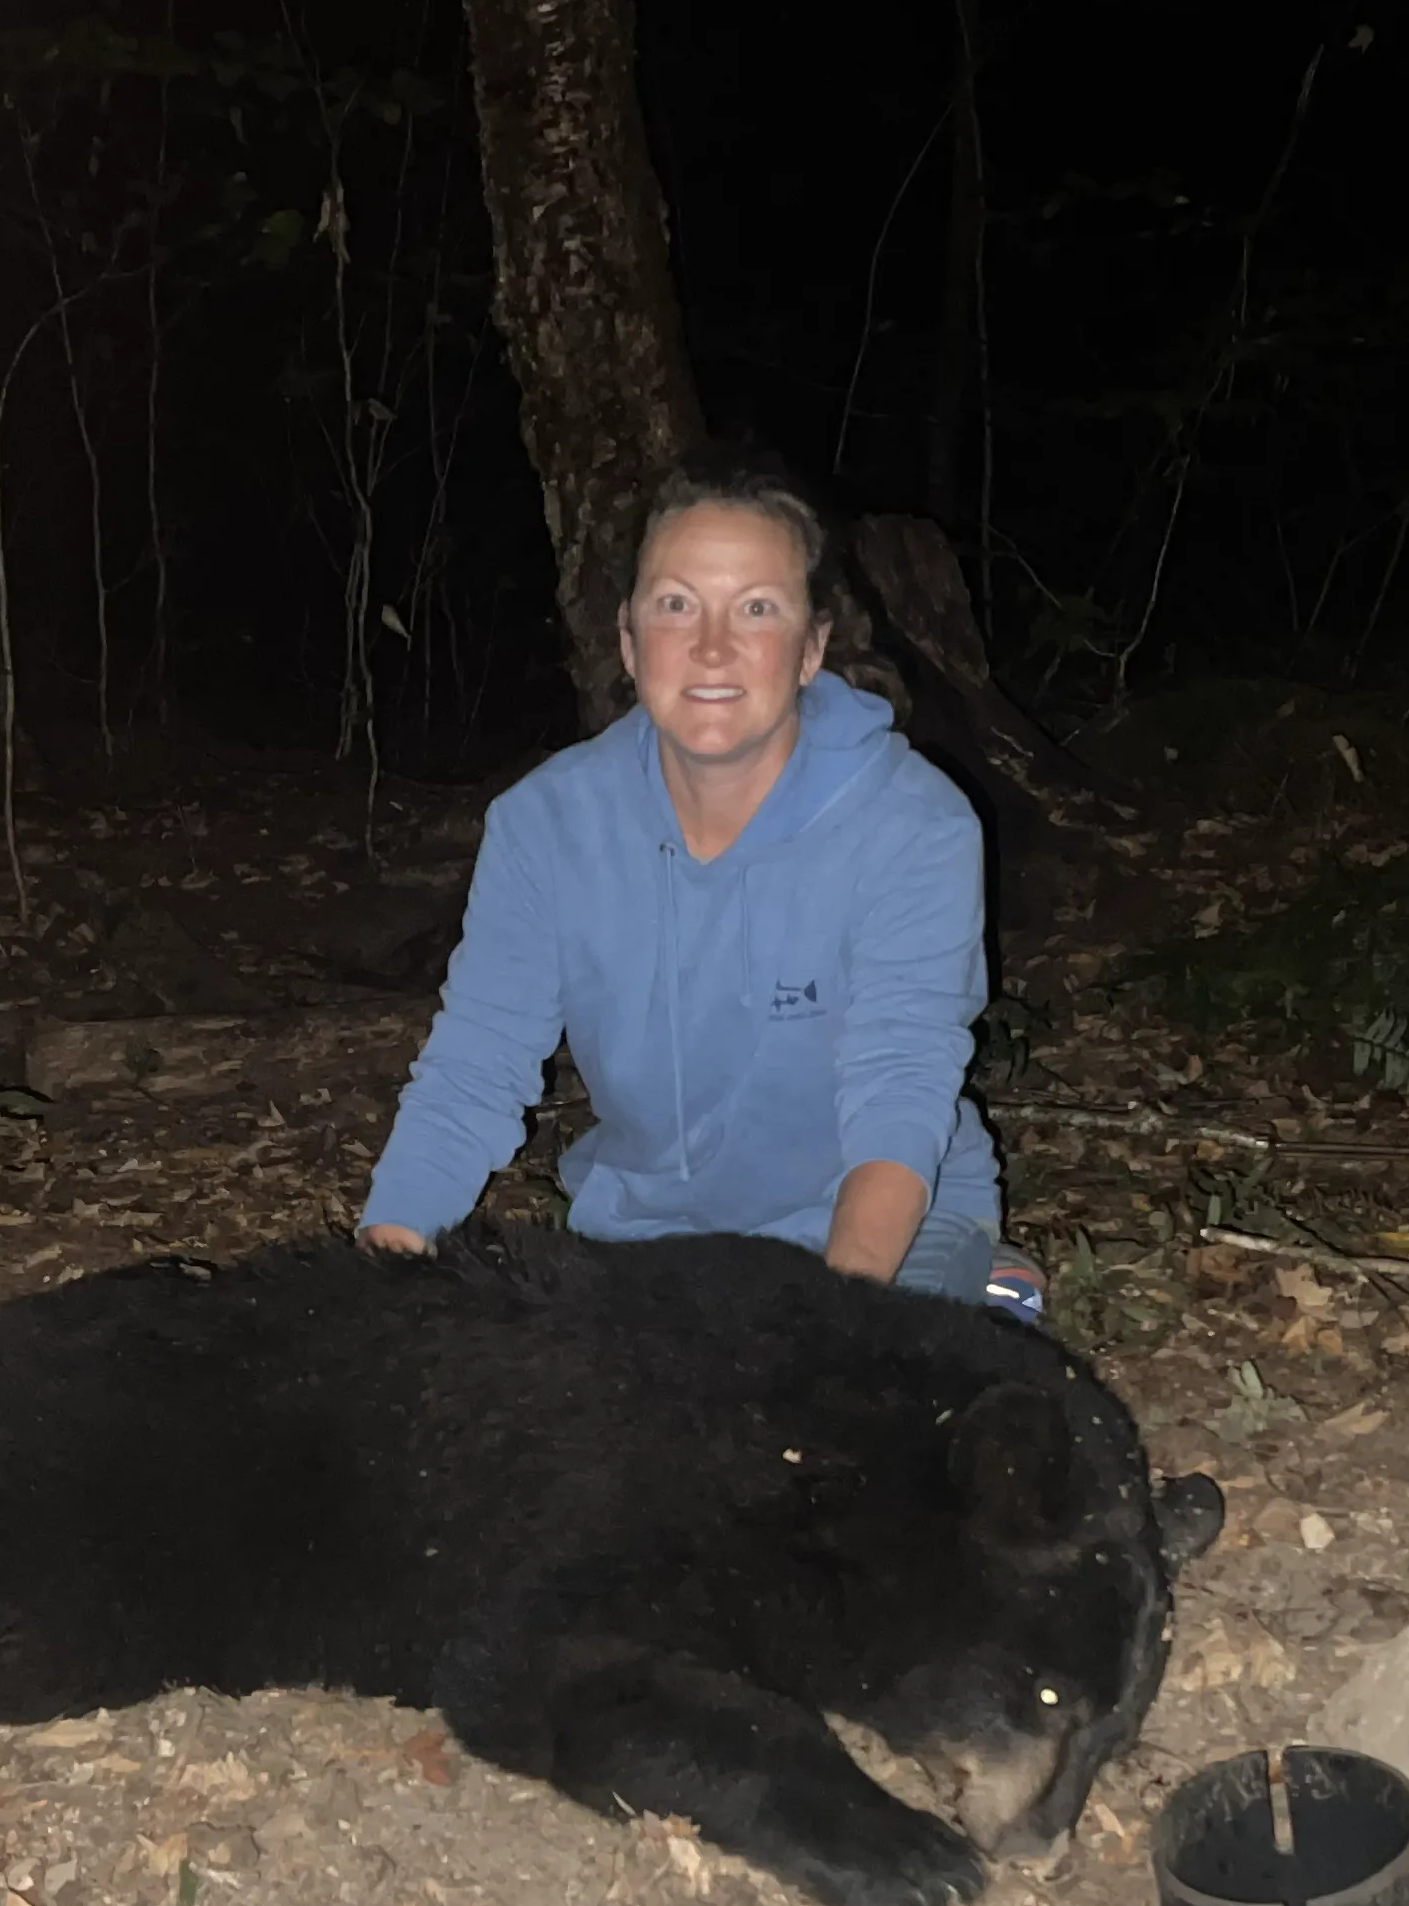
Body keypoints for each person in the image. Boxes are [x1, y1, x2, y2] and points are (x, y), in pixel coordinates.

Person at [359, 459, 1040, 1317]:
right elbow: (475, 1068)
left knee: (833, 1423)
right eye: (677, 604)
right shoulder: (547, 825)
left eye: (757, 608)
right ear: (629, 640)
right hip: (649, 1239)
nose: (713, 646)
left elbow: (900, 1088)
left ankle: (984, 1288)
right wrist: (380, 1278)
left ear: (811, 649)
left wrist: (834, 1327)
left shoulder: (913, 825)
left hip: (880, 1232)